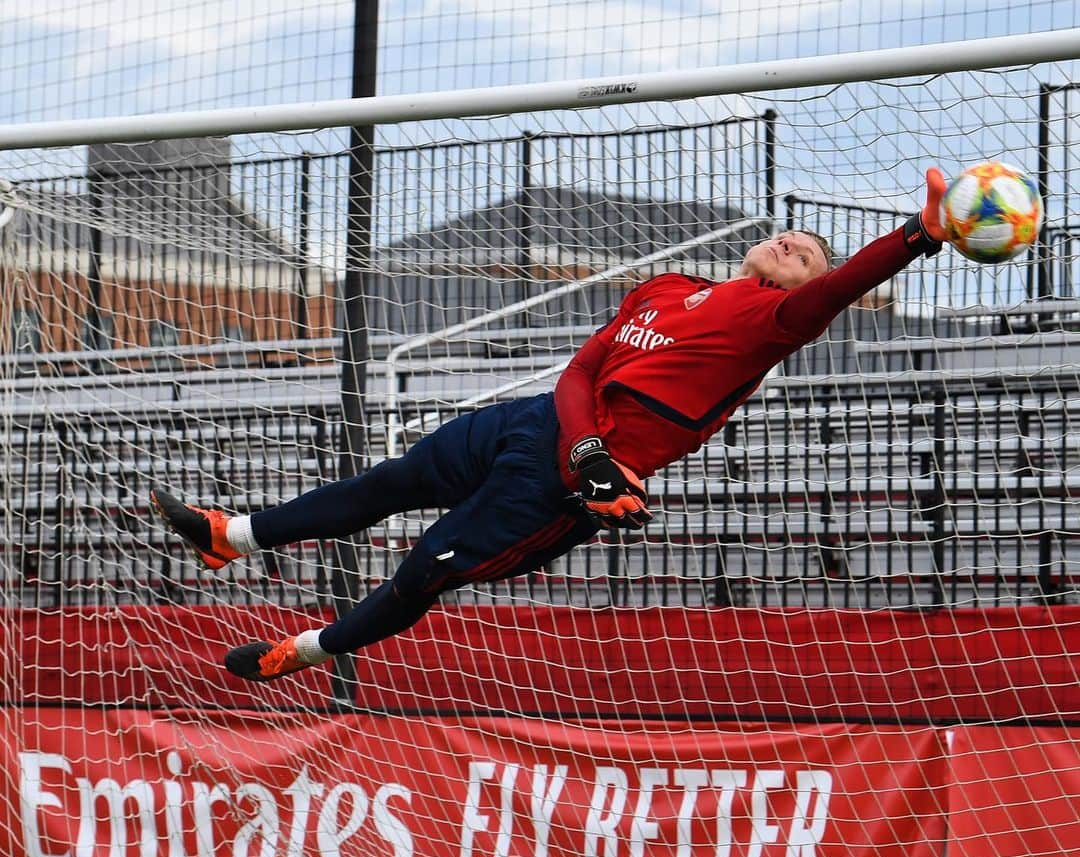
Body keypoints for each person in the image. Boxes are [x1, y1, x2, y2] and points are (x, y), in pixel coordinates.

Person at [151, 169, 948, 682]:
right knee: (393, 478)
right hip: (547, 429)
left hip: (565, 485)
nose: (792, 244)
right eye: (790, 235)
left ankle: (306, 651)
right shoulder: (667, 289)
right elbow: (579, 370)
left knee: (425, 568)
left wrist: (917, 236)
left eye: (808, 253)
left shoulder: (776, 320)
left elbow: (845, 284)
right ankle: (235, 535)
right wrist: (587, 443)